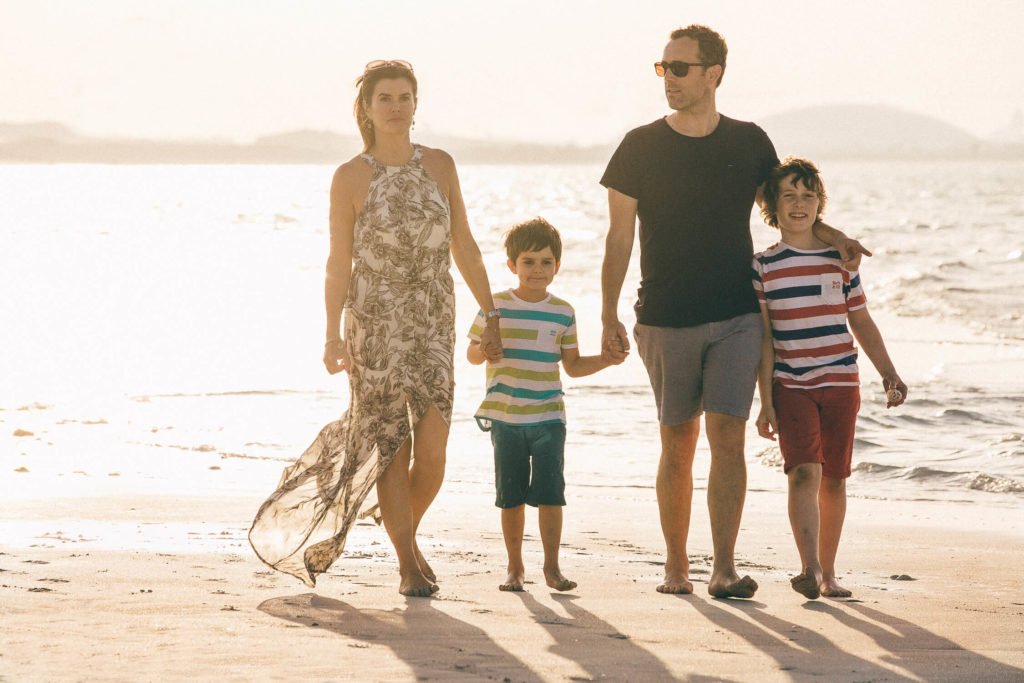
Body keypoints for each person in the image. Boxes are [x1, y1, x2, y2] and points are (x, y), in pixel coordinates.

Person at [599, 25, 869, 598]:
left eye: (678, 68)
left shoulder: (748, 142)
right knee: (677, 441)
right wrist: (607, 314)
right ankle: (677, 566)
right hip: (665, 314)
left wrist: (833, 235)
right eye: (662, 68)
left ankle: (723, 567)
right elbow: (618, 237)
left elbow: (787, 213)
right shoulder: (639, 145)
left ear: (712, 74)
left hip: (738, 312)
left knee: (730, 436)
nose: (667, 78)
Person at [249, 59, 503, 597]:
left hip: (434, 315)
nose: (394, 106)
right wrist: (330, 334)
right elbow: (338, 262)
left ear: (416, 105)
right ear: (365, 108)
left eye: (403, 97)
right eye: (383, 97)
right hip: (373, 320)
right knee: (392, 444)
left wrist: (491, 311)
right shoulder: (350, 176)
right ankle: (407, 560)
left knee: (433, 447)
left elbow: (465, 244)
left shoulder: (440, 164)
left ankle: (405, 536)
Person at [753, 157, 907, 599]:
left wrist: (888, 373)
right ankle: (808, 567)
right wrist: (765, 400)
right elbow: (764, 339)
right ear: (772, 206)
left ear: (819, 203)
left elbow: (861, 320)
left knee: (834, 477)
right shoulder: (762, 266)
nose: (799, 204)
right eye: (789, 195)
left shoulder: (841, 261)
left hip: (841, 381)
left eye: (808, 195)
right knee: (802, 472)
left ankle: (829, 572)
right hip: (792, 384)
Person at [467, 218, 623, 593]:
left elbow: (572, 366)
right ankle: (515, 568)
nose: (538, 270)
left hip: (550, 416)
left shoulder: (563, 312)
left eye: (546, 262)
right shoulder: (496, 308)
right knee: (511, 496)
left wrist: (606, 360)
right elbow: (473, 355)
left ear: (557, 265)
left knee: (552, 493)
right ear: (511, 266)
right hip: (506, 416)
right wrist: (484, 349)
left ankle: (552, 568)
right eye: (528, 262)